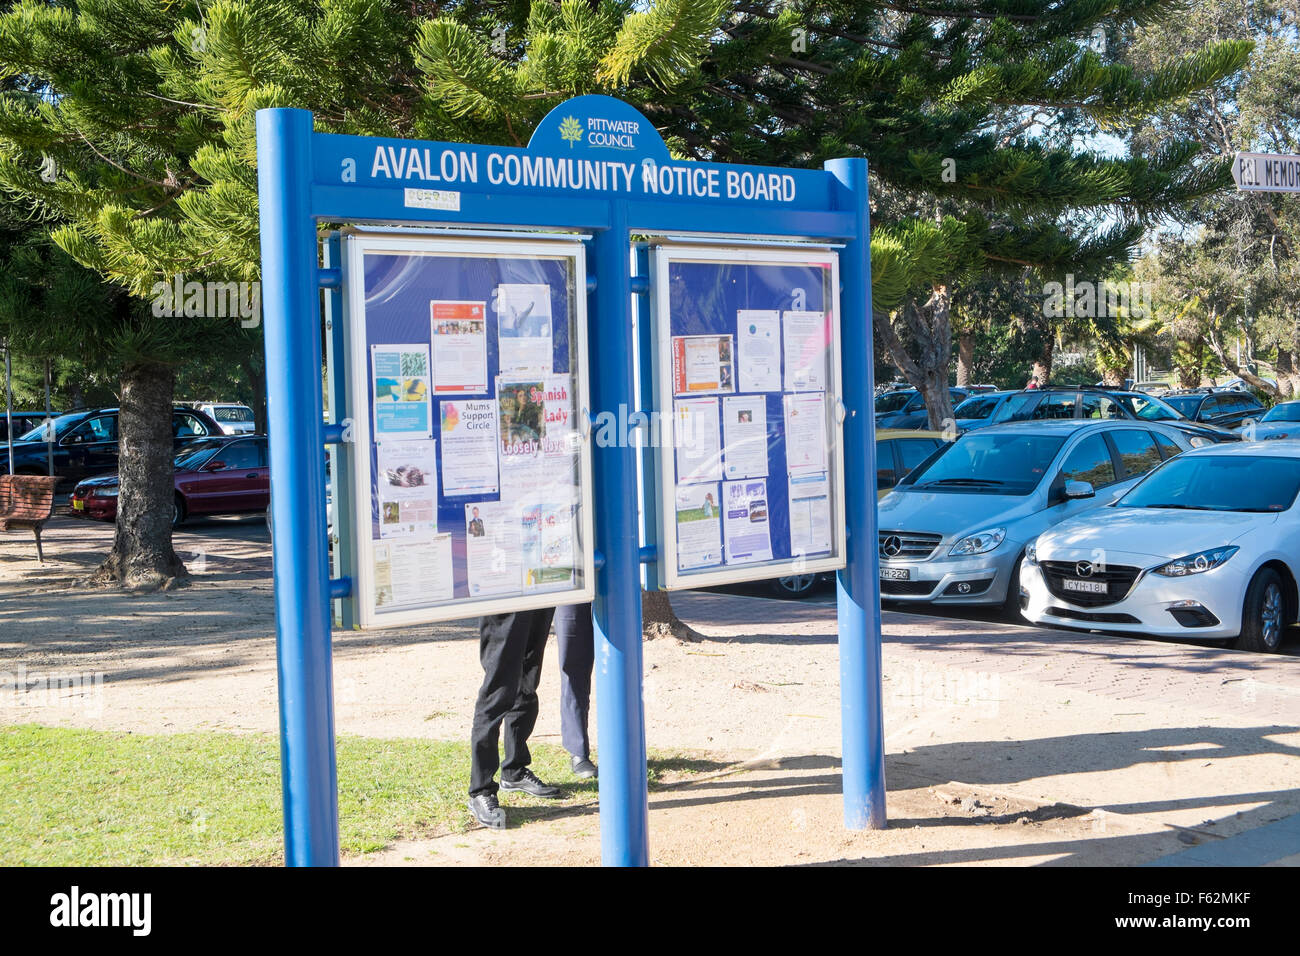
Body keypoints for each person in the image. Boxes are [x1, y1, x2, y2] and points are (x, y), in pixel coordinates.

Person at [467, 609, 564, 829]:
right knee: (497, 691)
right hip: (503, 598)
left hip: (536, 594)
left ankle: (514, 770)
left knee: (527, 684)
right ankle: (480, 790)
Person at [554, 602, 596, 778]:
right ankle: (578, 751)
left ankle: (622, 747)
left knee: (618, 663)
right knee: (574, 663)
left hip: (613, 582)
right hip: (571, 583)